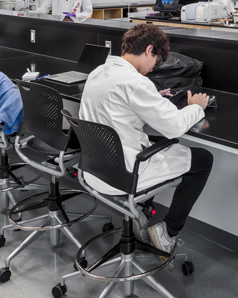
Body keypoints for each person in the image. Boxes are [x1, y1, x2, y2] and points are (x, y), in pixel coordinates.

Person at [79, 24, 213, 258]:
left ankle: (139, 212)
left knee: (152, 143)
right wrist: (196, 107)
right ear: (149, 49)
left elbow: (117, 105)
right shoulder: (135, 83)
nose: (153, 69)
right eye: (156, 61)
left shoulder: (99, 71)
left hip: (94, 169)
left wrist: (152, 98)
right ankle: (168, 232)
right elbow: (174, 127)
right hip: (124, 174)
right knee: (203, 159)